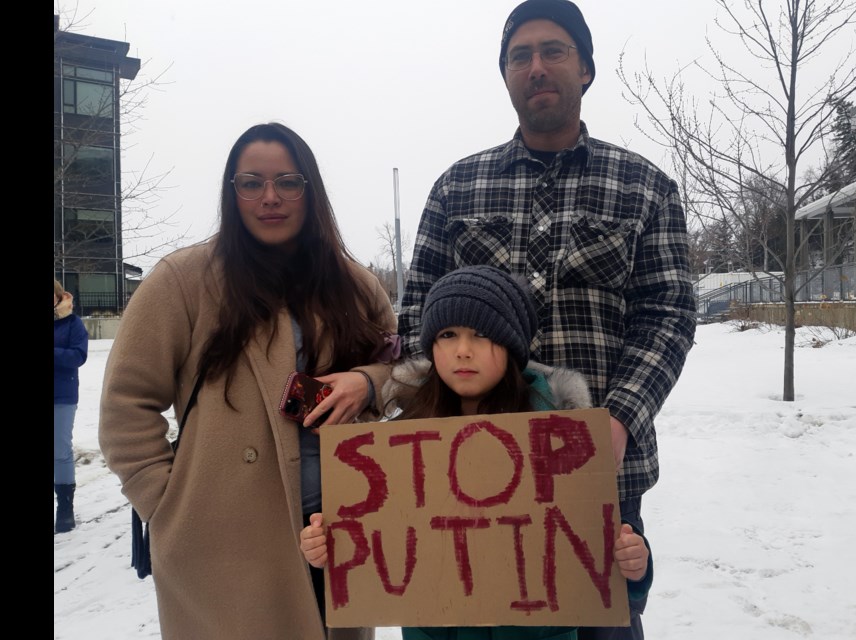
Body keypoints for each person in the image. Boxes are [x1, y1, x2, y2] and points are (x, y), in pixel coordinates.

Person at [397, 2, 698, 637]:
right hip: (471, 479)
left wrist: (617, 419)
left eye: (553, 51)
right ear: (505, 75)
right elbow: (416, 317)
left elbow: (668, 314)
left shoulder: (645, 188)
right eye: (519, 56)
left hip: (600, 480)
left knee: (601, 627)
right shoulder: (456, 190)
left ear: (585, 68)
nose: (536, 67)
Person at [99, 122, 397, 640]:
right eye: (251, 183)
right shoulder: (182, 281)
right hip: (223, 545)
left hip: (340, 533)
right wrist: (168, 509)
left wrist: (365, 383)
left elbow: (406, 373)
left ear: (311, 190)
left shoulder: (355, 285)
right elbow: (126, 406)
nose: (270, 197)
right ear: (231, 192)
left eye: (288, 181)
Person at [301, 265, 652, 640]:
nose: (463, 351)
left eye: (482, 334)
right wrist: (328, 551)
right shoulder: (400, 440)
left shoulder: (562, 438)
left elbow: (597, 548)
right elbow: (374, 549)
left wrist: (635, 564)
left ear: (512, 345)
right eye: (448, 335)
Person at [54, 278, 89, 534]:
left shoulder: (73, 323)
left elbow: (78, 356)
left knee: (59, 450)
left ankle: (65, 507)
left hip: (62, 396)